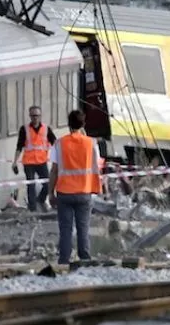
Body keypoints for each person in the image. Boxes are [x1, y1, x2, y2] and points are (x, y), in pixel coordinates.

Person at [48, 110, 102, 265]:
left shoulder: (59, 143)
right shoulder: (91, 143)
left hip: (64, 193)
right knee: (83, 229)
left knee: (66, 230)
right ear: (83, 124)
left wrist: (50, 193)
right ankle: (84, 259)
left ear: (68, 124)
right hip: (84, 192)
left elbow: (54, 170)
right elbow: (96, 165)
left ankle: (64, 261)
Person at [11, 105, 57, 212]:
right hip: (29, 162)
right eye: (33, 115)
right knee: (31, 186)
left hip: (42, 161)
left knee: (48, 184)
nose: (35, 118)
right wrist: (15, 162)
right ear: (30, 116)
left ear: (40, 116)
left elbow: (55, 143)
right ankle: (33, 209)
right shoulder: (25, 129)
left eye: (37, 115)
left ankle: (40, 200)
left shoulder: (46, 129)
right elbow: (19, 146)